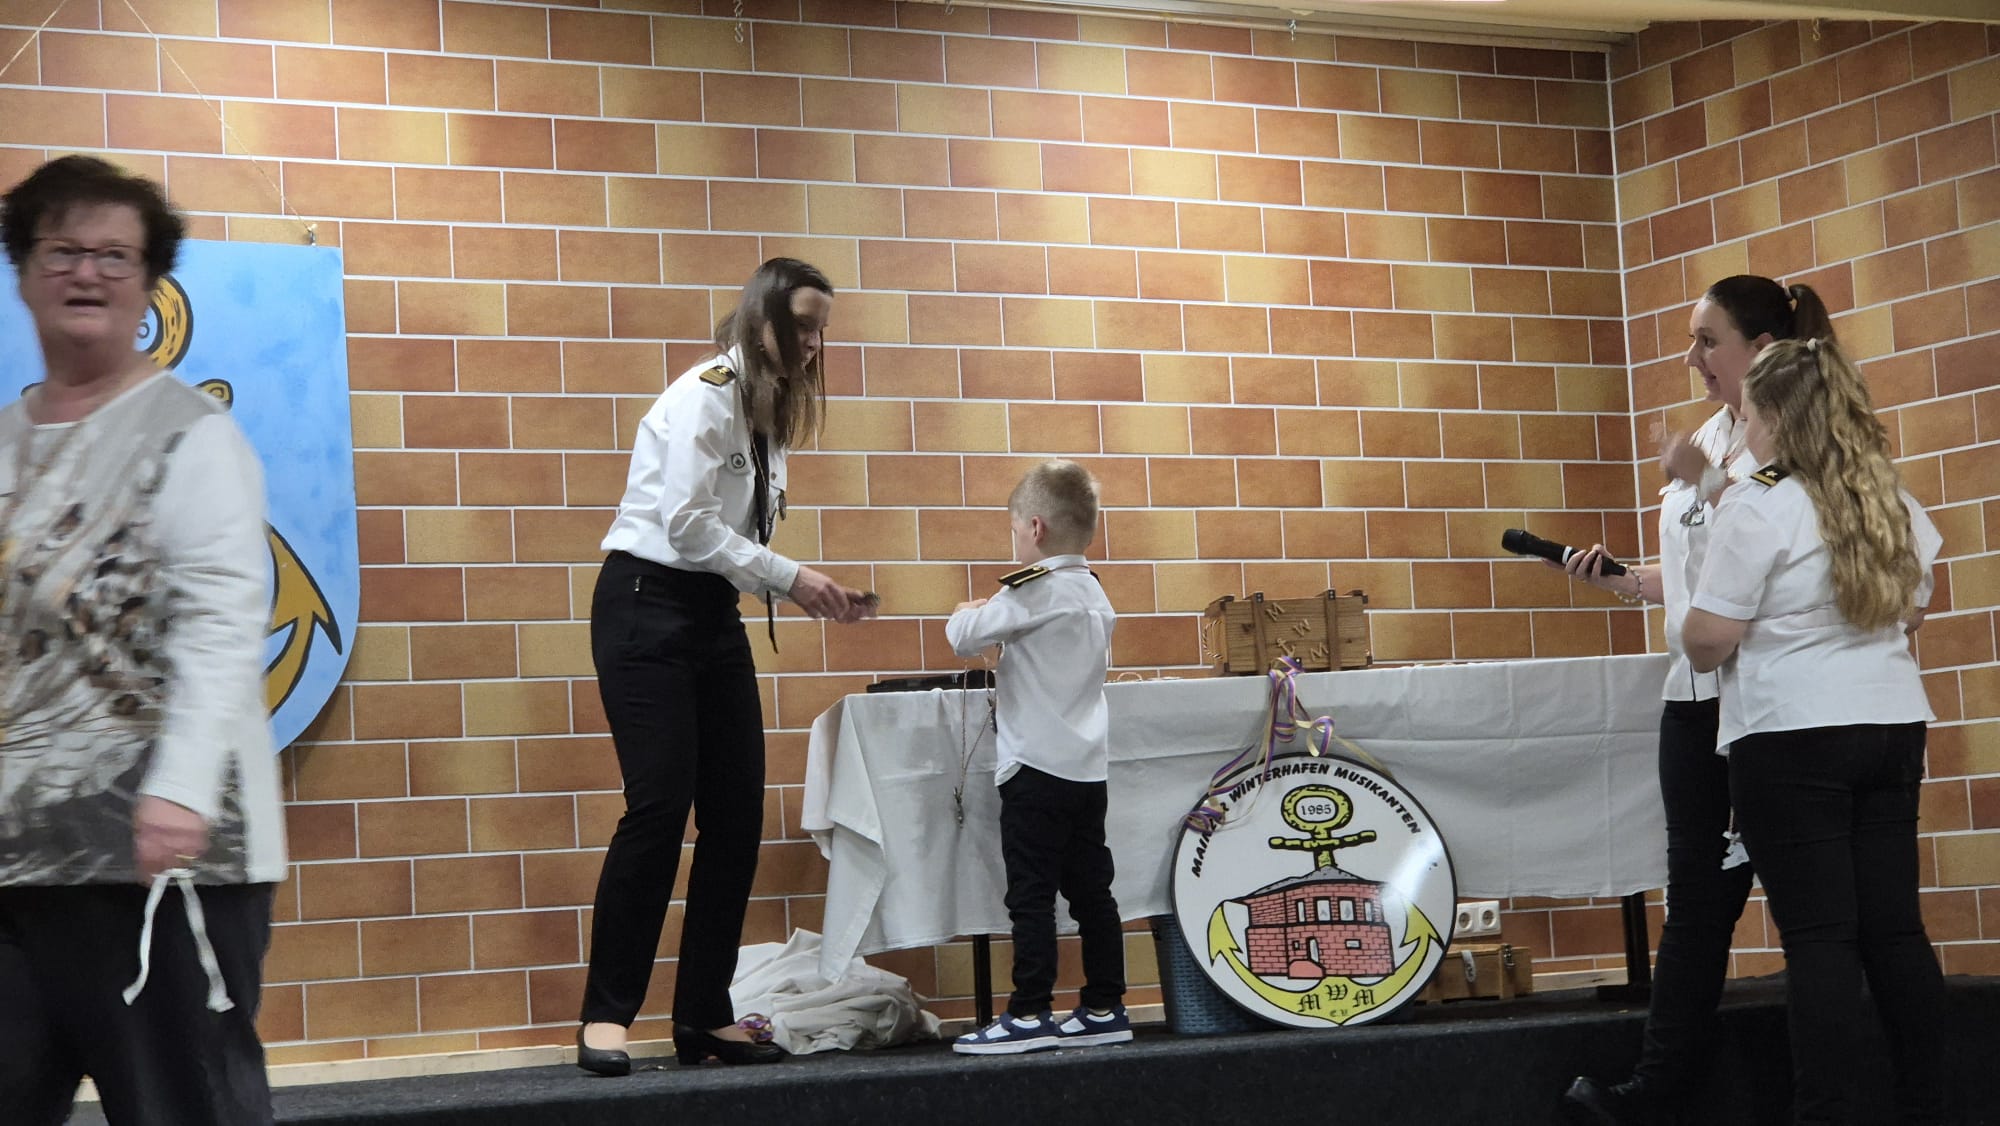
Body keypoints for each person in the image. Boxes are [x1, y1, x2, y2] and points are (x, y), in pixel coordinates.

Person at [0, 157, 284, 1123]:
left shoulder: (192, 436)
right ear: (25, 271)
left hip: (162, 859)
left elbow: (222, 622)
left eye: (114, 256)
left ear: (149, 282)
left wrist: (179, 790)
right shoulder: (5, 441)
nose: (87, 272)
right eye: (63, 250)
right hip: (20, 858)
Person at [577, 257, 875, 1075]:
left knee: (737, 815)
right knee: (659, 807)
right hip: (644, 603)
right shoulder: (707, 394)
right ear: (762, 316)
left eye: (823, 330)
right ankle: (606, 1015)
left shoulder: (766, 412)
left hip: (711, 613)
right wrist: (794, 578)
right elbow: (684, 524)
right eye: (804, 325)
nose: (815, 344)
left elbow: (732, 541)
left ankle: (704, 1015)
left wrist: (798, 586)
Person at [1554, 276, 1835, 1126]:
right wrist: (1626, 581)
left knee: (1812, 913)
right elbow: (1704, 574)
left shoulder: (1800, 439)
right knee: (1694, 907)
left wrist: (1708, 480)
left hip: (1771, 706)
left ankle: (1830, 1097)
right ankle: (1656, 1091)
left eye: (1708, 340)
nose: (1692, 358)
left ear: (1761, 348)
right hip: (1695, 697)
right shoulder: (1710, 436)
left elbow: (1780, 553)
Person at [1684, 337, 1949, 1125]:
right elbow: (1915, 610)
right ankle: (1935, 1105)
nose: (1743, 427)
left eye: (1748, 413)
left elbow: (1709, 640)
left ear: (1774, 415)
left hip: (1793, 732)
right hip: (1892, 723)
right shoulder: (1888, 495)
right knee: (1895, 931)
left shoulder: (1760, 500)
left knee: (1821, 939)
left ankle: (1829, 1113)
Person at [945, 459, 1128, 1055]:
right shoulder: (1094, 590)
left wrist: (968, 610)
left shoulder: (1032, 588)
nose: (1016, 541)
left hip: (1035, 771)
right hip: (1087, 771)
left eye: (1015, 530)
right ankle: (1104, 1005)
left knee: (1031, 896)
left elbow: (964, 638)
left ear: (1036, 528)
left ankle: (1028, 1013)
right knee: (1093, 892)